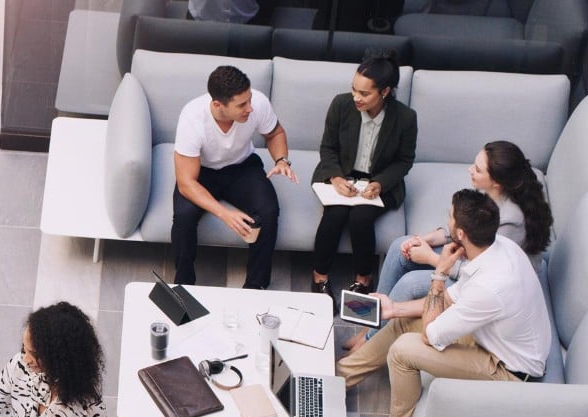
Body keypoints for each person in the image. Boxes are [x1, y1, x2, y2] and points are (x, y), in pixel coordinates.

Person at [340, 189, 550, 417]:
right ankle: (340, 378)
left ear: (460, 234)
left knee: (404, 350)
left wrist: (439, 274)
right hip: (494, 336)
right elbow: (450, 300)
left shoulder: (490, 287)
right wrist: (393, 310)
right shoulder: (499, 248)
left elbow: (430, 334)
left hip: (510, 371)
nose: (447, 220)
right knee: (404, 322)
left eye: (450, 217)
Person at [345, 140, 553, 350]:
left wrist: (431, 258)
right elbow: (462, 228)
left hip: (489, 283)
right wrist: (426, 239)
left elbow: (479, 272)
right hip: (471, 258)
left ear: (496, 181)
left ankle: (370, 341)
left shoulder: (510, 223)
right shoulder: (492, 196)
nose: (470, 169)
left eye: (478, 169)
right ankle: (369, 323)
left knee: (410, 283)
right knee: (401, 246)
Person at [172, 65, 298, 289]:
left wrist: (281, 160)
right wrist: (225, 214)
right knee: (184, 217)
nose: (250, 108)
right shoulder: (192, 118)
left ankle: (255, 287)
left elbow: (275, 133)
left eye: (249, 100)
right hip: (203, 172)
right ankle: (183, 285)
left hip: (241, 167)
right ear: (218, 105)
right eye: (242, 105)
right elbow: (186, 183)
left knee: (268, 212)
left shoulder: (256, 103)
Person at [310, 50, 418, 296]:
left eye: (364, 93)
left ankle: (364, 278)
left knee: (361, 218)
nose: (356, 97)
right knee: (335, 214)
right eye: (354, 90)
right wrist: (336, 178)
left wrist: (380, 183)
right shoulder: (341, 104)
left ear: (385, 92)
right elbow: (328, 148)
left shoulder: (405, 118)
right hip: (342, 175)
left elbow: (404, 161)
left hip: (376, 182)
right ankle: (320, 276)